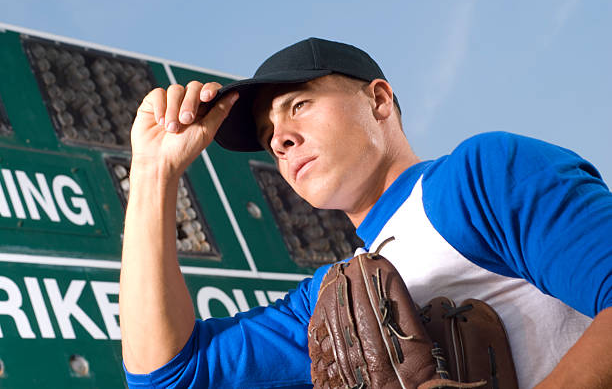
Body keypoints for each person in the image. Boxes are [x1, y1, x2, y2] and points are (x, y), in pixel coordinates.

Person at [119, 38, 612, 388]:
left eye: (299, 104)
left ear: (378, 100)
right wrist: (151, 173)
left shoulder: (476, 175)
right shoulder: (334, 302)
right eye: (269, 135)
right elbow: (170, 375)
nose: (280, 139)